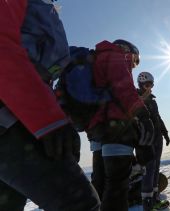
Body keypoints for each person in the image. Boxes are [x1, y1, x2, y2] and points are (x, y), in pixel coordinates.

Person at [0, 1, 100, 210]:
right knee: (79, 203)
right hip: (11, 116)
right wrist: (48, 120)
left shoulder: (40, 7)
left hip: (17, 116)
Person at [86, 39, 155, 211]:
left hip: (97, 131)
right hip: (115, 128)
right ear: (127, 51)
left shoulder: (97, 60)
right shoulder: (116, 57)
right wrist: (144, 116)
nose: (133, 64)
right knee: (117, 187)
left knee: (101, 183)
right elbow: (124, 90)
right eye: (135, 59)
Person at [136, 72, 170, 210]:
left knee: (156, 169)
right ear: (140, 84)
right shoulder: (135, 99)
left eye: (151, 84)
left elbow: (158, 118)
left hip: (157, 138)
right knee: (148, 170)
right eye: (147, 84)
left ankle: (155, 199)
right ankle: (147, 204)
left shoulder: (152, 101)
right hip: (145, 140)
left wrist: (165, 133)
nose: (150, 87)